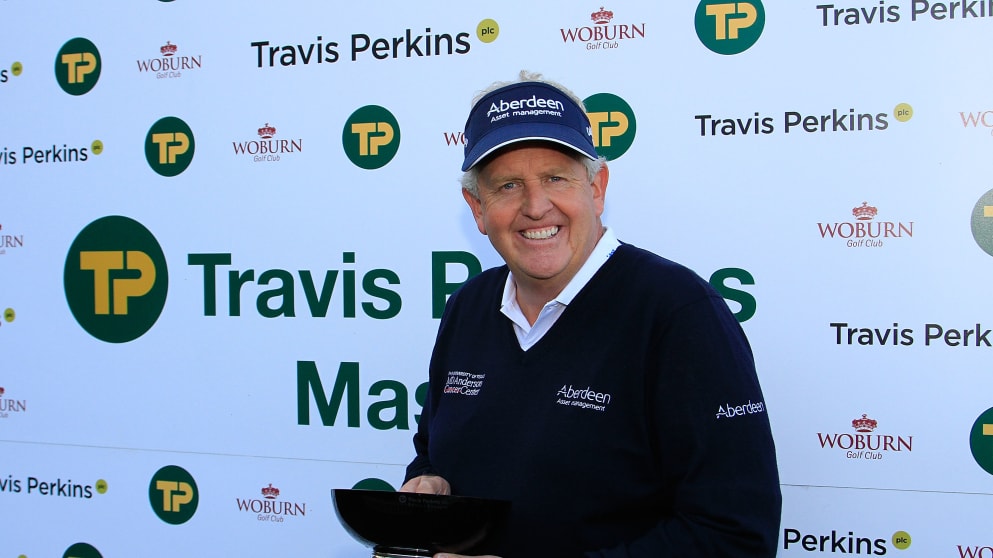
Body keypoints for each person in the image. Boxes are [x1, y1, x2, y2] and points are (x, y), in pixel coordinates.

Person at [401, 71, 782, 557]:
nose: (535, 207)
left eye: (555, 178)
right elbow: (431, 450)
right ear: (477, 208)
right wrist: (428, 481)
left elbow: (734, 536)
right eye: (508, 186)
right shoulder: (467, 306)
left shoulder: (678, 313)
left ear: (597, 187)